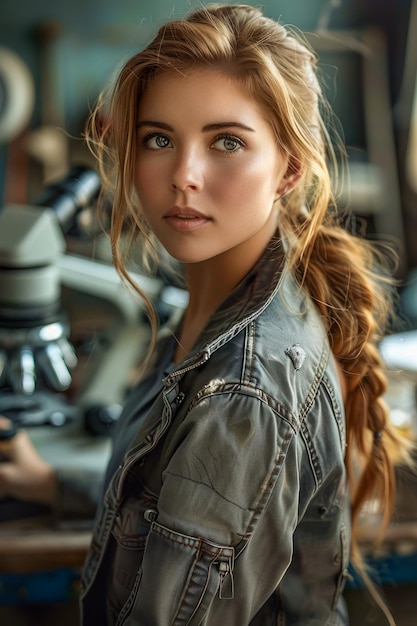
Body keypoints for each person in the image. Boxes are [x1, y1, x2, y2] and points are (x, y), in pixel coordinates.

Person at [0, 4, 413, 624]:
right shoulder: (210, 305)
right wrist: (57, 486)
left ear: (288, 168)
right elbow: (168, 501)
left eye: (227, 142)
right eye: (159, 139)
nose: (183, 177)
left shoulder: (243, 393)